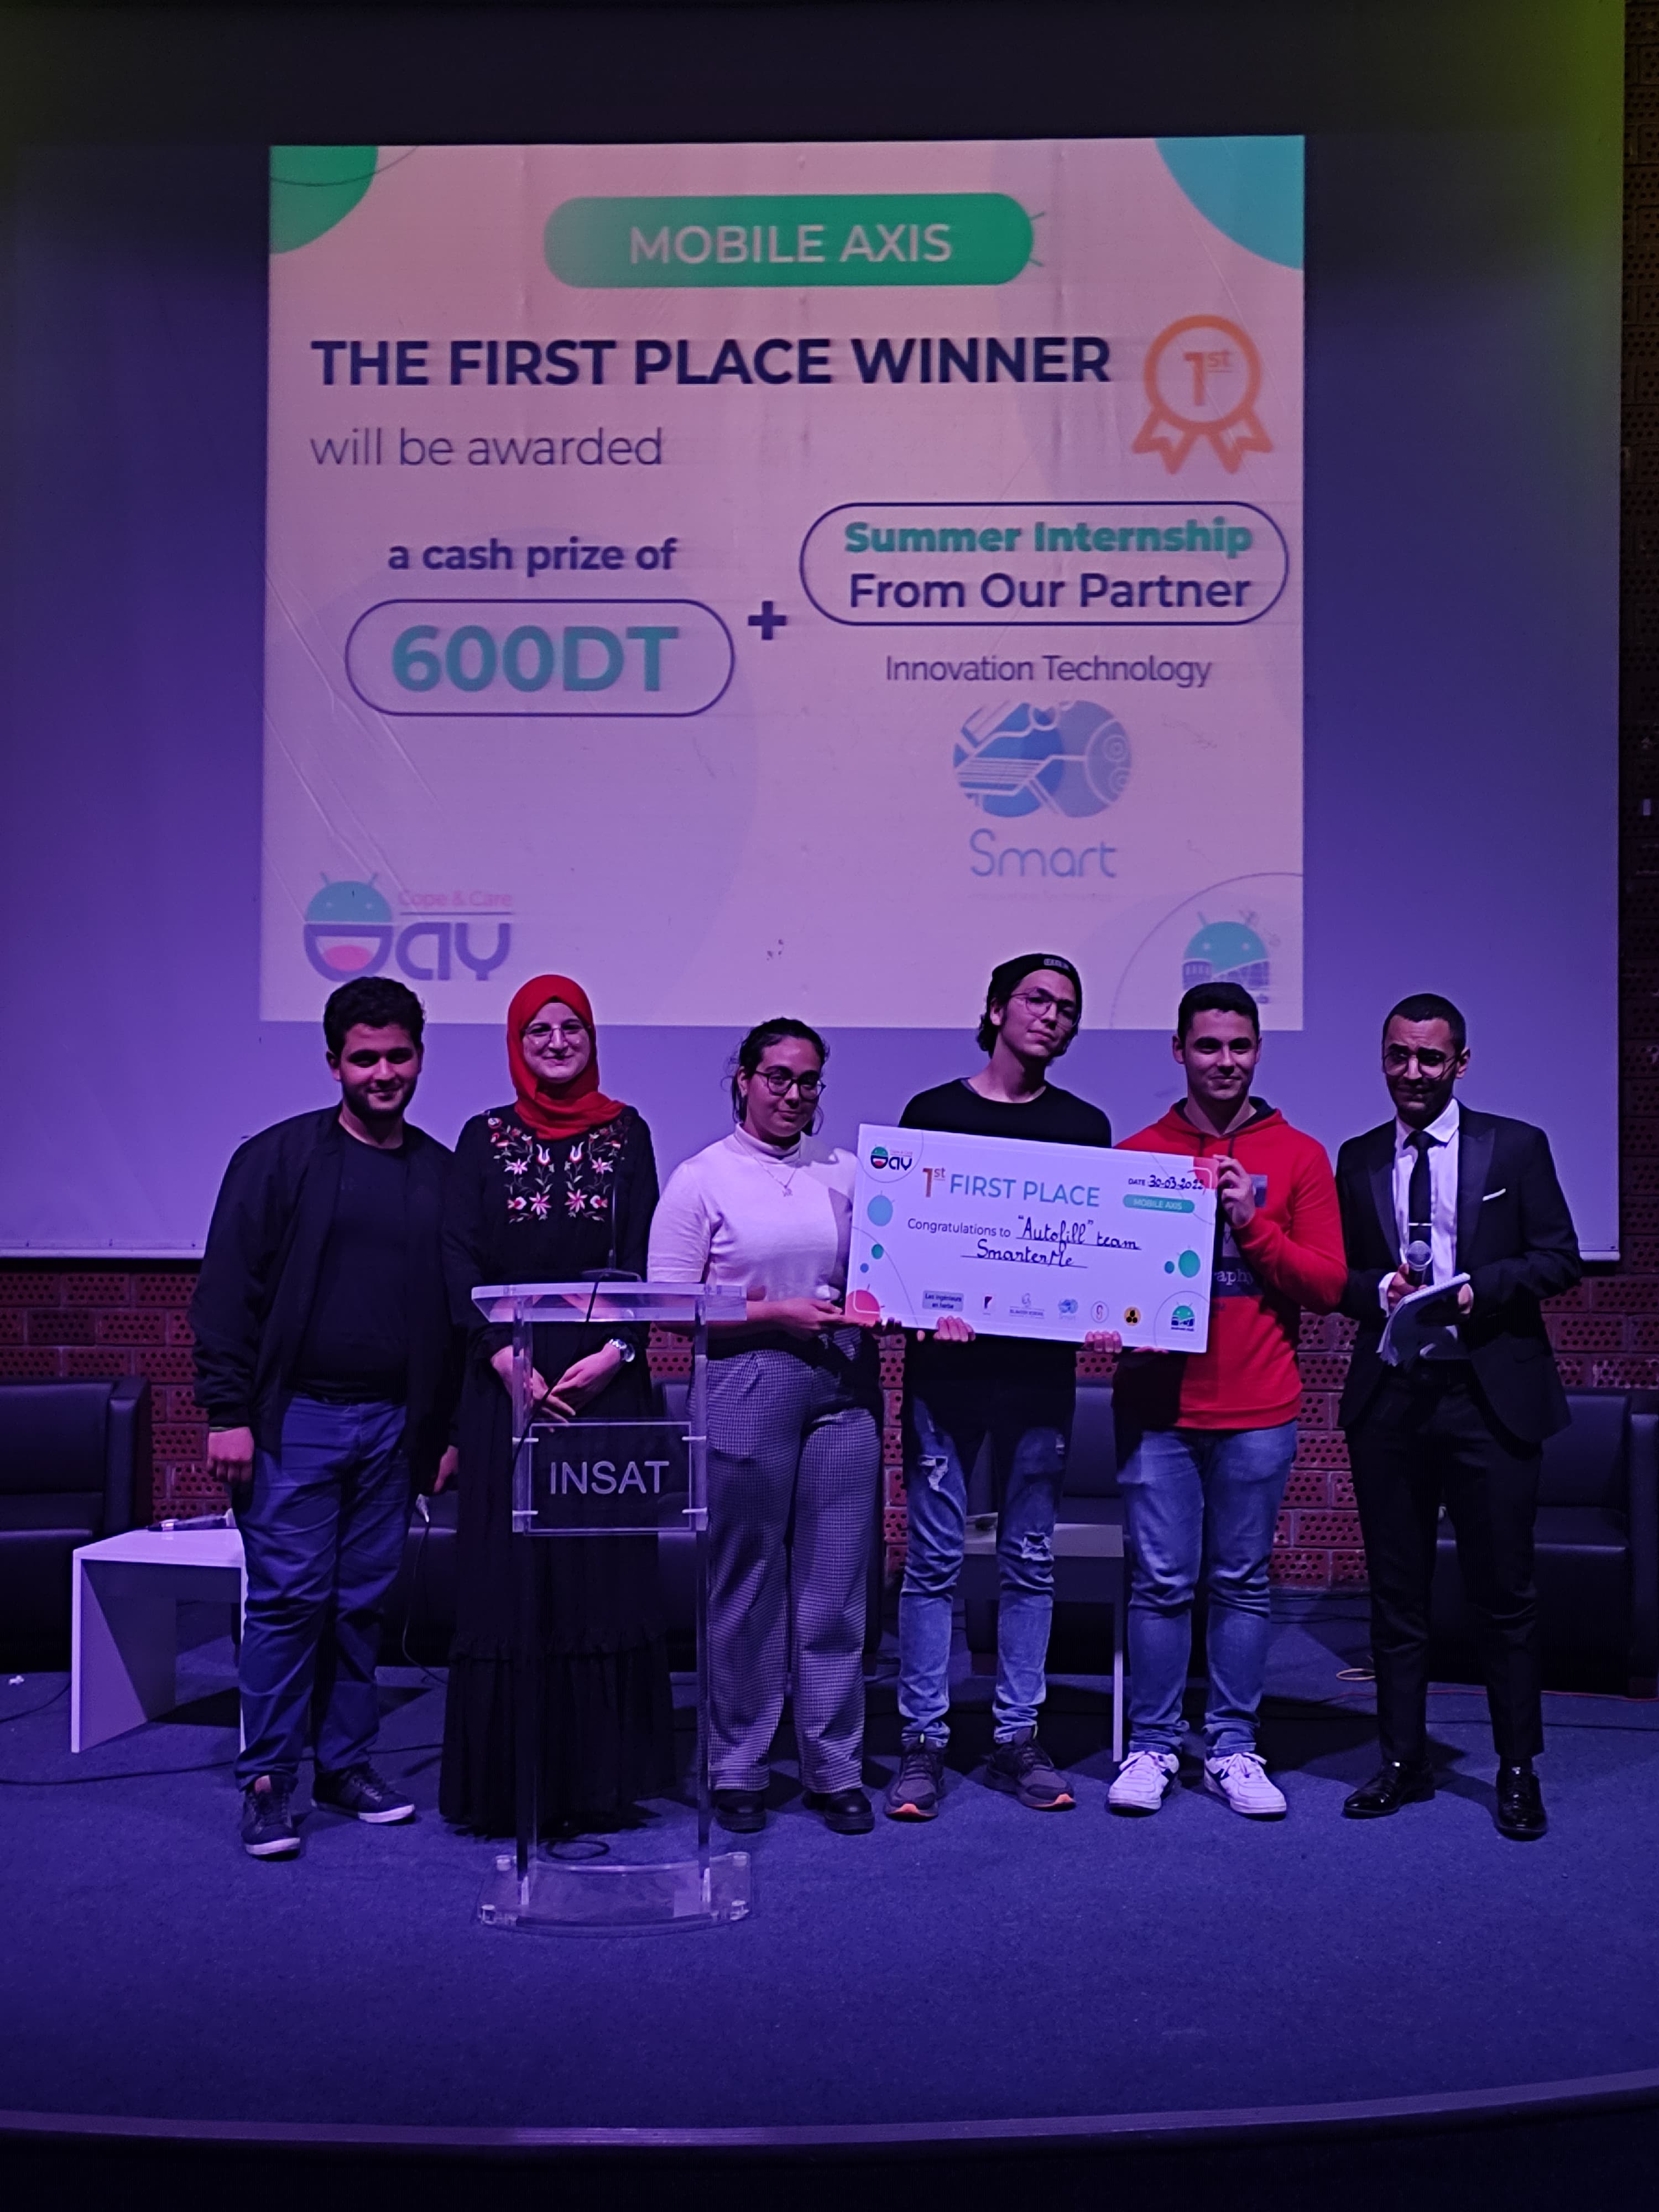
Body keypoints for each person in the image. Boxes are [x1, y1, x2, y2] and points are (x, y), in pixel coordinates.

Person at [192, 977, 458, 1860]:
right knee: (287, 1602)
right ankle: (269, 1780)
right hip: (294, 1421)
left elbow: (454, 1315)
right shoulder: (277, 1160)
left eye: (398, 1056)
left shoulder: (438, 1174)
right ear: (334, 1063)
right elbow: (226, 1293)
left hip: (394, 1427)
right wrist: (227, 1413)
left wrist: (443, 1432)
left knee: (361, 1606)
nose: (384, 1073)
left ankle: (345, 1765)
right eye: (365, 1058)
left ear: (419, 1057)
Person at [1337, 993, 1580, 1840]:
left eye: (1430, 1058)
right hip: (1393, 1399)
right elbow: (1344, 1277)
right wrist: (1377, 1289)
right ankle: (1402, 1761)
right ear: (1383, 1057)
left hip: (1491, 1400)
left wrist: (1481, 1291)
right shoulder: (1357, 1157)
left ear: (1461, 1064)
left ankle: (1516, 1769)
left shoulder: (1516, 1145)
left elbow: (1559, 1259)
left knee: (1503, 1597)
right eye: (1399, 1056)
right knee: (1395, 1597)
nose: (1413, 1072)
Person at [439, 974, 673, 1838]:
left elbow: (648, 1255)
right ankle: (514, 1789)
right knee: (515, 1580)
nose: (557, 1042)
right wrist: (505, 1360)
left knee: (597, 1578)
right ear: (516, 1043)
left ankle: (598, 1784)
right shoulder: (483, 1138)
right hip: (506, 1387)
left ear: (592, 1037)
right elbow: (457, 1261)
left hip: (604, 1389)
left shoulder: (628, 1132)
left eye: (571, 1027)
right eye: (538, 1031)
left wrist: (615, 1355)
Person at [1108, 982, 1347, 1819]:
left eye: (1240, 1046)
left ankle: (1235, 1747)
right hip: (1158, 1411)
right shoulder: (1137, 1154)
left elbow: (1326, 1285)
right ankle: (1153, 1743)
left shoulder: (1301, 1156)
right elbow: (1107, 1284)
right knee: (1162, 1583)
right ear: (1179, 1051)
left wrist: (1251, 1221)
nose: (1225, 1061)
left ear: (1259, 1051)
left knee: (1242, 1582)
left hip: (1259, 1409)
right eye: (1208, 1045)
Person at [884, 954, 1114, 1823]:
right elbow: (905, 1252)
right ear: (994, 1009)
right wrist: (920, 1309)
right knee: (934, 1563)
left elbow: (1094, 1250)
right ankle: (923, 1741)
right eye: (1037, 1000)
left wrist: (1105, 1311)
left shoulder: (1084, 1127)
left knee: (1029, 1560)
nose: (1052, 1017)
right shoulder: (932, 1114)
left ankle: (1018, 1734)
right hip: (946, 1378)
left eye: (1068, 1008)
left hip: (1039, 1377)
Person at [648, 1018, 882, 1836]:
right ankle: (737, 1764)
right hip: (747, 1375)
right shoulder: (701, 1178)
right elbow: (668, 1306)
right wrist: (771, 1312)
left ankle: (835, 1767)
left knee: (836, 1586)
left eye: (808, 1080)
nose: (793, 1093)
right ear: (743, 1079)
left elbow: (885, 1272)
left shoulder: (848, 1173)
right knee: (745, 1580)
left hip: (843, 1381)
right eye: (777, 1076)